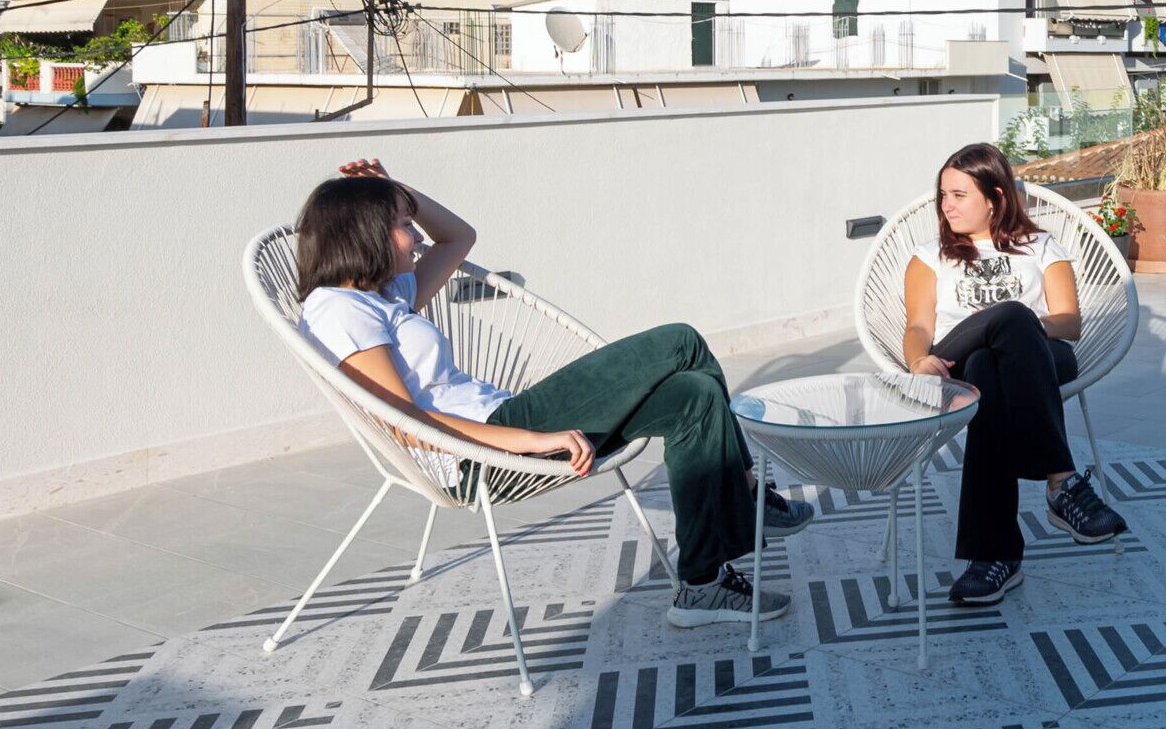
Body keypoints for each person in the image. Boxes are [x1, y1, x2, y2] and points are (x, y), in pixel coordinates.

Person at [289, 159, 805, 625]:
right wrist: (529, 441)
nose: (415, 237)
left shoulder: (382, 296)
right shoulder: (339, 310)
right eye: (402, 225)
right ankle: (751, 492)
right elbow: (407, 425)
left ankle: (701, 586)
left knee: (692, 395)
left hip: (500, 424)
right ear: (365, 233)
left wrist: (398, 190)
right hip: (483, 451)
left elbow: (458, 238)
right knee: (680, 342)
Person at [902, 141, 1130, 607]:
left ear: (996, 197)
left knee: (998, 355)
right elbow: (919, 325)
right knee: (994, 339)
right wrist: (914, 360)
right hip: (957, 358)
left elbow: (1069, 322)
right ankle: (1062, 482)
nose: (946, 205)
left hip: (1041, 358)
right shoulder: (929, 256)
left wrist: (1017, 326)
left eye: (959, 195)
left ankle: (994, 559)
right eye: (942, 195)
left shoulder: (1042, 245)